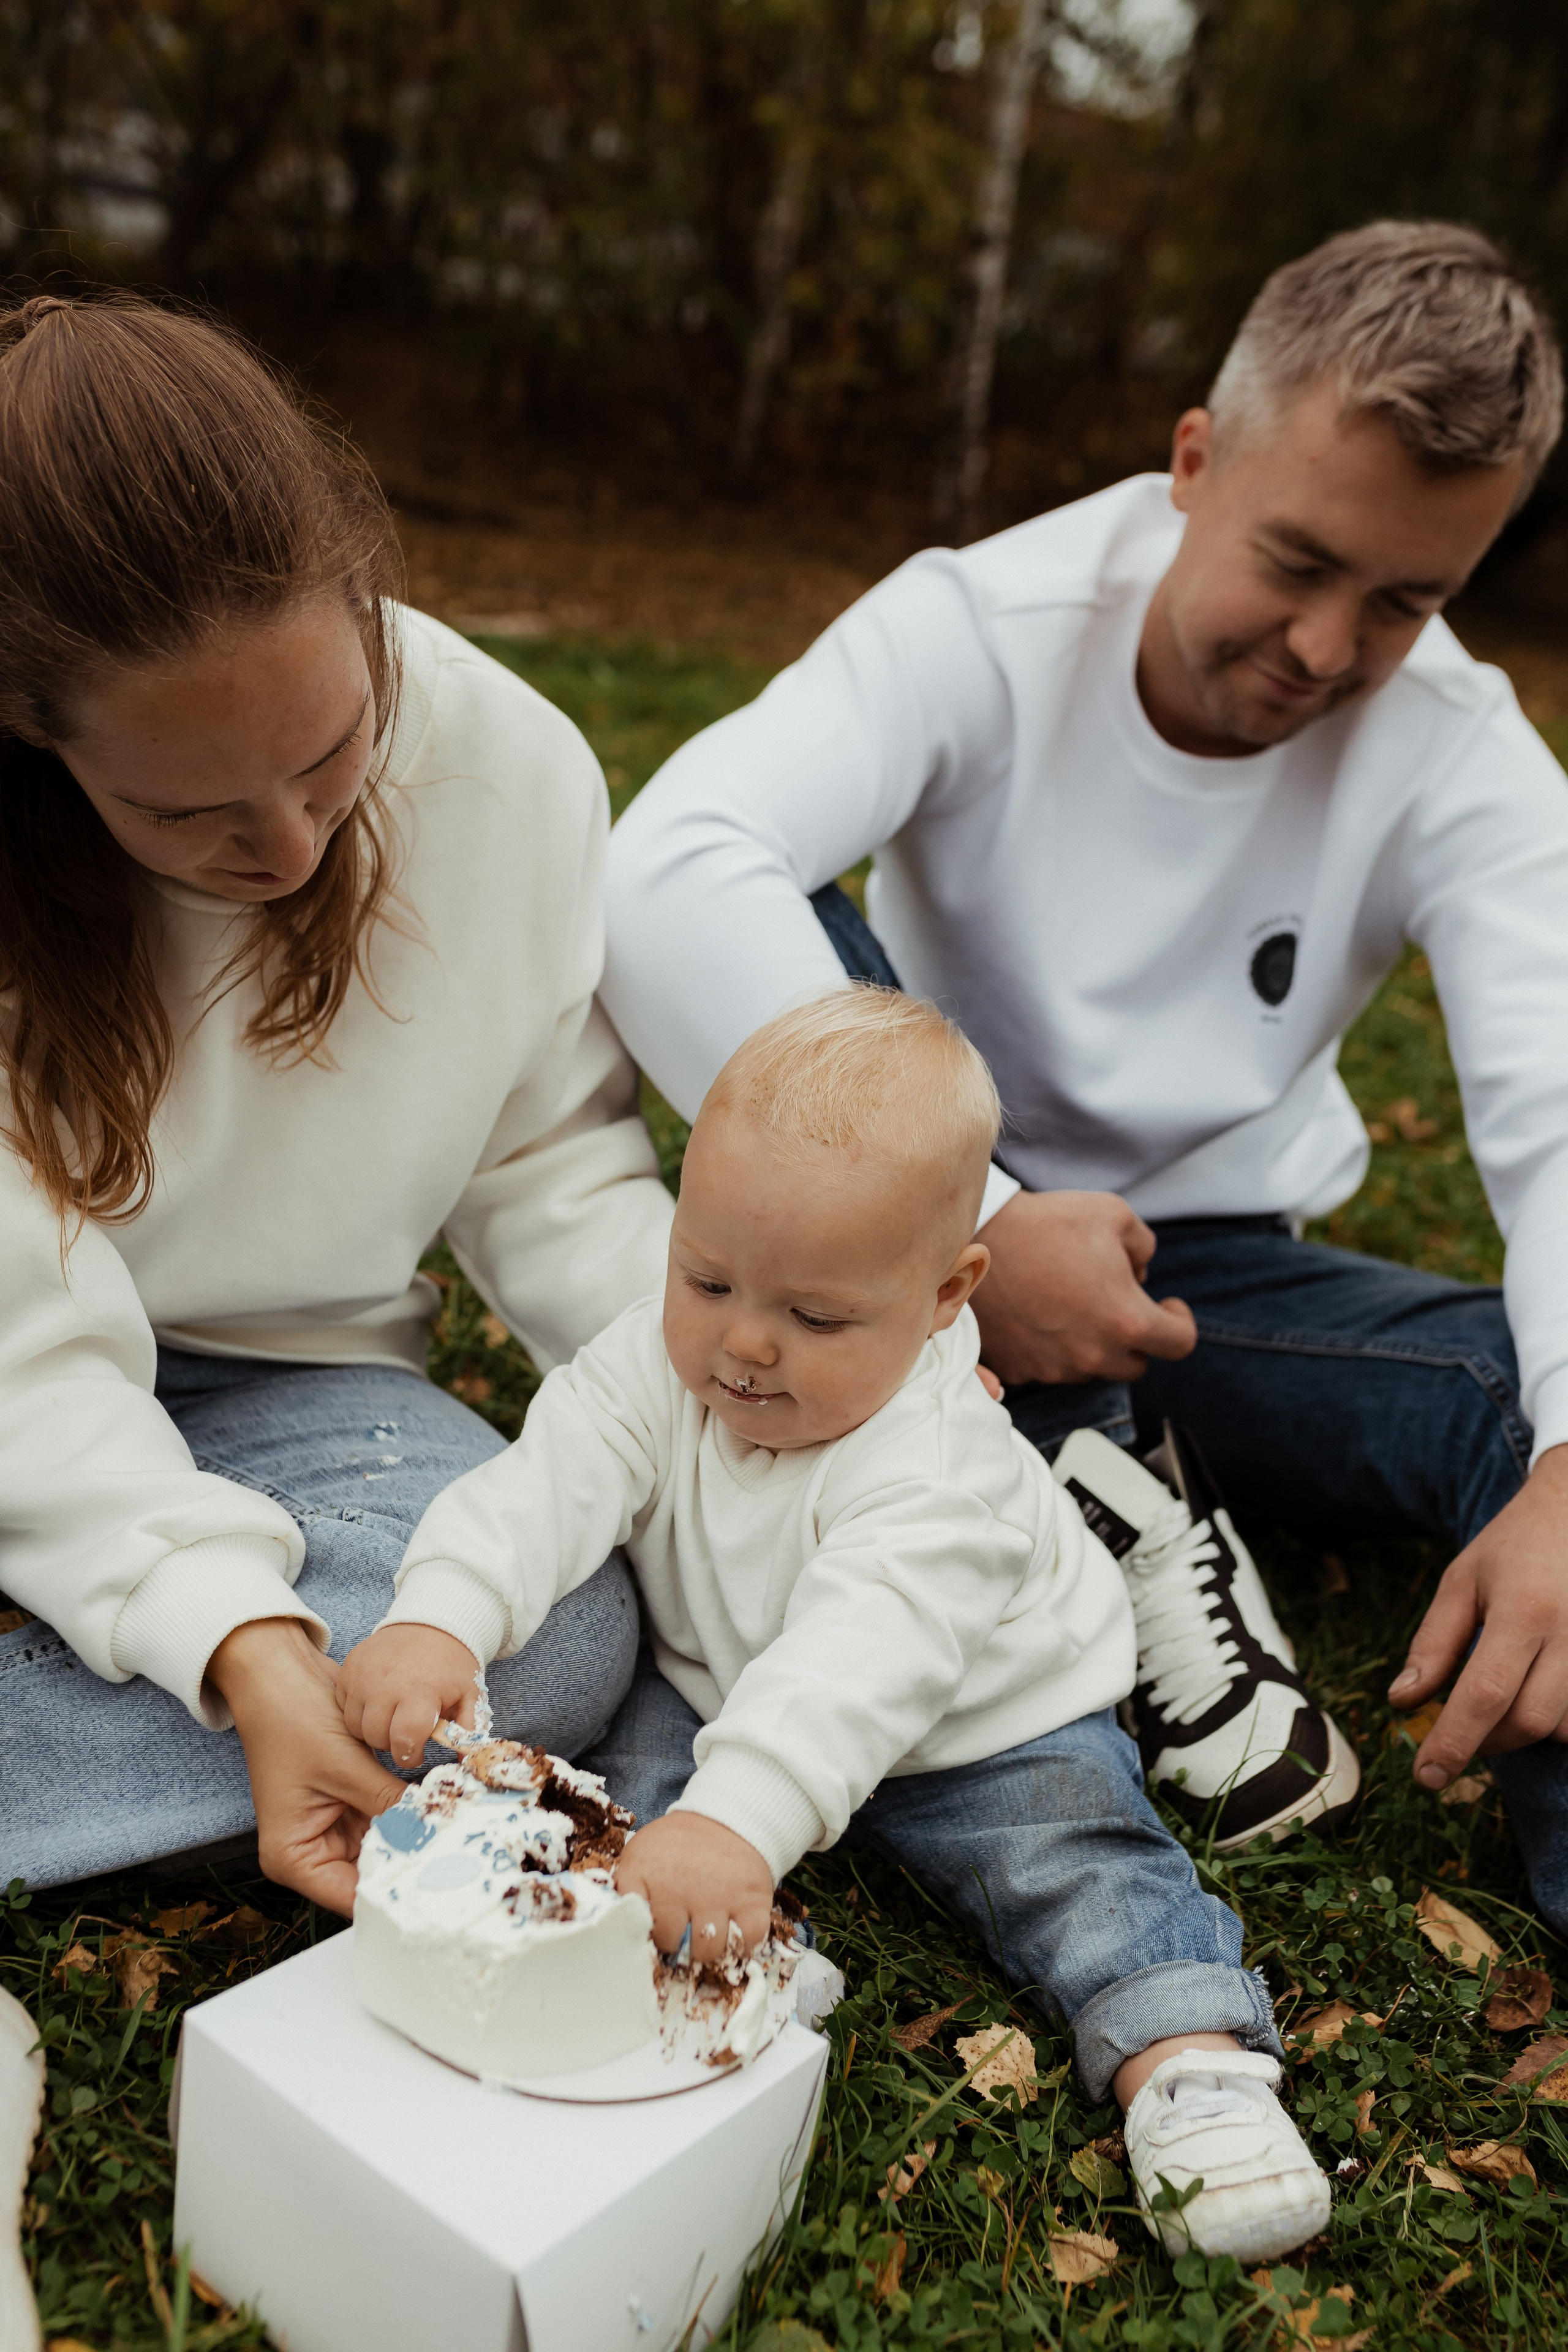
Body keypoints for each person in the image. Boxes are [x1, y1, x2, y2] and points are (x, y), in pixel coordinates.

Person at [599, 221, 1568, 1928]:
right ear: (1194, 461)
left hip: (1212, 1278)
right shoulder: (983, 623)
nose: (1331, 651)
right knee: (791, 916)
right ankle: (1099, 1492)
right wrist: (977, 1223)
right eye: (1300, 560)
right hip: (905, 1253)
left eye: (1407, 600)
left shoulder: (1462, 753)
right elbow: (673, 860)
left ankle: (1104, 1466)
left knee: (1528, 1409)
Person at [338, 988, 1333, 2262]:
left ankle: (1185, 2057)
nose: (743, 1343)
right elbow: (546, 1486)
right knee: (619, 1808)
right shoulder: (662, 1355)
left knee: (1068, 1860)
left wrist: (734, 1820)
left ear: (943, 1294)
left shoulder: (938, 1469)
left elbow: (856, 1663)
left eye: (814, 1316)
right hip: (718, 1675)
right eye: (706, 1277)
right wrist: (439, 1618)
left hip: (981, 1717)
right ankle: (729, 1954)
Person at [0, 291, 674, 1913]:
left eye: (331, 752)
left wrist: (720, 1373)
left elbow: (550, 1166)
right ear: (31, 732)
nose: (293, 850)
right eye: (187, 809)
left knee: (553, 1625)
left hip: (289, 1385)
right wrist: (240, 1646)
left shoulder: (513, 768)